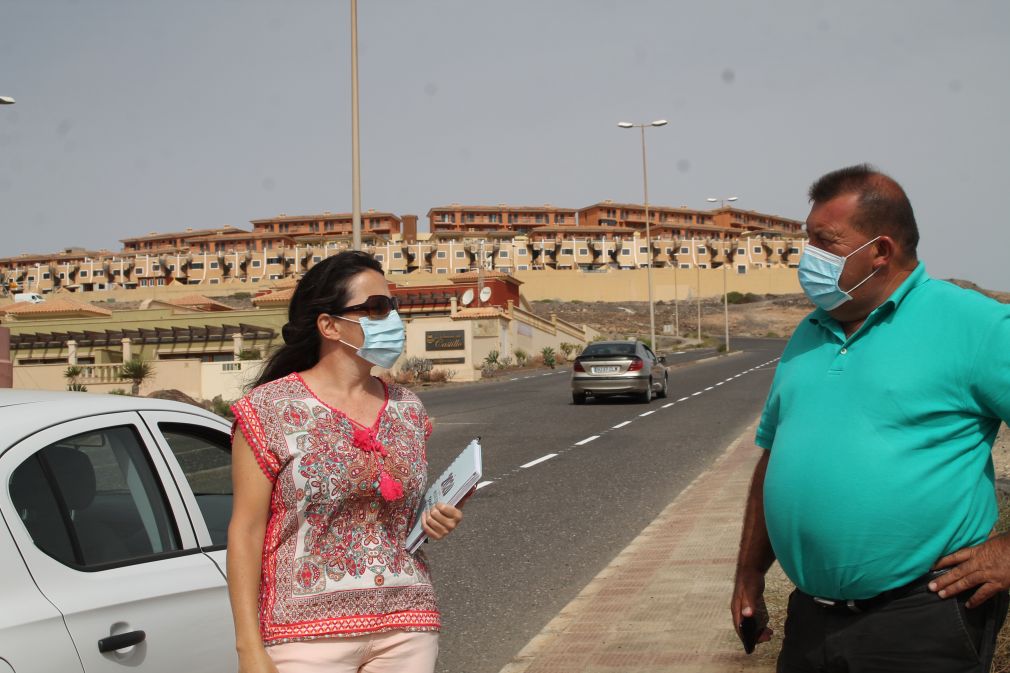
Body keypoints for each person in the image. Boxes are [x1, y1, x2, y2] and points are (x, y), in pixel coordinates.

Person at [731, 164, 1010, 672]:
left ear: (881, 251)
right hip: (812, 621)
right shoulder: (809, 333)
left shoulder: (976, 325)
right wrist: (749, 573)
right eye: (807, 240)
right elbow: (774, 457)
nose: (807, 258)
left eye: (826, 242)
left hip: (923, 618)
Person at [227, 250, 464, 673]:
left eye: (392, 306)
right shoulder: (266, 410)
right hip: (304, 636)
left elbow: (401, 516)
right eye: (376, 308)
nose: (392, 318)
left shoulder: (408, 407)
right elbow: (245, 530)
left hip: (407, 623)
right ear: (329, 325)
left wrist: (437, 516)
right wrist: (249, 649)